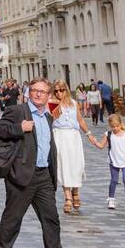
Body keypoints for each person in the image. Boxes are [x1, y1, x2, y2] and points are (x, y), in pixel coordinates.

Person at [0, 77, 78, 248]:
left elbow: (49, 146)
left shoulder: (47, 116)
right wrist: (18, 128)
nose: (38, 94)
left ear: (48, 95)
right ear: (29, 92)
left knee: (51, 218)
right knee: (13, 217)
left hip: (43, 175)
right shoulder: (18, 111)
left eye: (43, 91)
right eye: (35, 90)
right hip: (21, 175)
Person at [51, 81, 99, 214]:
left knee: (76, 165)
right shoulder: (52, 103)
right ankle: (68, 198)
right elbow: (50, 120)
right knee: (63, 166)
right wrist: (54, 111)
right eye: (56, 91)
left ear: (66, 90)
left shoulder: (73, 103)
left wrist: (89, 134)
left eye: (61, 90)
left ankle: (76, 191)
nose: (59, 93)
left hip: (73, 136)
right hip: (59, 136)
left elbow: (80, 120)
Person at [93, 114, 125, 213]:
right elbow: (101, 146)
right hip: (113, 161)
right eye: (112, 126)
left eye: (117, 126)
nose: (115, 128)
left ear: (121, 124)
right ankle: (111, 199)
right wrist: (95, 142)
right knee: (114, 180)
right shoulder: (108, 134)